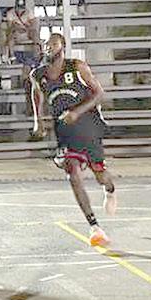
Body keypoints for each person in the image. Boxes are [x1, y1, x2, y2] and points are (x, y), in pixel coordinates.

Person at [31, 32, 118, 247]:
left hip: (87, 123)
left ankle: (110, 190)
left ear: (63, 46)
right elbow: (36, 95)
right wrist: (38, 120)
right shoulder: (38, 74)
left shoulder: (77, 67)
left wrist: (77, 112)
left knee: (101, 175)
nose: (49, 46)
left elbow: (99, 94)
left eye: (53, 43)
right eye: (46, 44)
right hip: (64, 128)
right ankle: (94, 227)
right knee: (73, 172)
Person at [2, 0, 39, 65]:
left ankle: (37, 52)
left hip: (27, 32)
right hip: (16, 33)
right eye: (19, 8)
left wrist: (26, 28)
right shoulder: (10, 13)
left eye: (22, 8)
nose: (20, 10)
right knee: (11, 35)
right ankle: (12, 56)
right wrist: (17, 28)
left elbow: (34, 25)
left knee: (35, 33)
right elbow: (9, 27)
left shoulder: (29, 12)